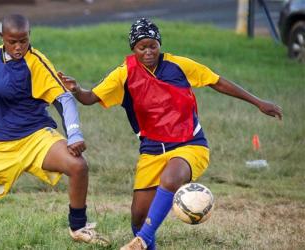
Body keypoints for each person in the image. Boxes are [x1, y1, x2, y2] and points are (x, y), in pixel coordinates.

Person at [57, 18, 283, 250]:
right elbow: (90, 98)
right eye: (141, 47)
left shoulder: (179, 65)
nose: (148, 52)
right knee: (138, 217)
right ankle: (144, 239)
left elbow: (218, 82)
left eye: (152, 45)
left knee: (171, 179)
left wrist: (258, 102)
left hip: (189, 145)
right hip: (152, 151)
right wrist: (77, 90)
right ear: (133, 49)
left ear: (159, 44)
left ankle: (143, 239)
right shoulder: (123, 75)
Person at [0, 14, 109, 247]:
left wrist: (74, 134)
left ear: (30, 37)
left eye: (23, 41)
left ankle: (78, 227)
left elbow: (64, 99)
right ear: (2, 38)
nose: (18, 47)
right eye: (12, 41)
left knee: (78, 165)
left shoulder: (35, 61)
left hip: (34, 137)